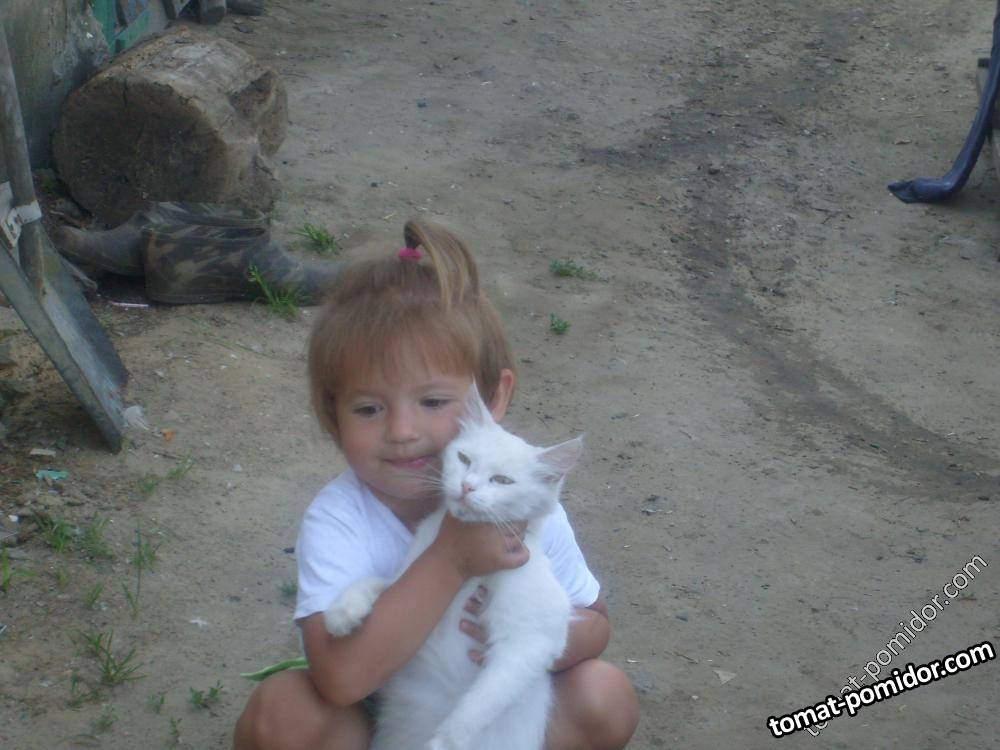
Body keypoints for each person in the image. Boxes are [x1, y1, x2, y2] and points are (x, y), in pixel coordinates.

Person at [233, 219, 640, 750]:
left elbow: (595, 623)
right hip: (370, 702)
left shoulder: (522, 504)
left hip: (484, 707)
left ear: (491, 402)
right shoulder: (339, 517)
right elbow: (340, 679)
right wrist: (451, 558)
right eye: (369, 409)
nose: (402, 432)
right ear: (333, 417)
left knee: (604, 695)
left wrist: (532, 641)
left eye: (432, 402)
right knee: (283, 714)